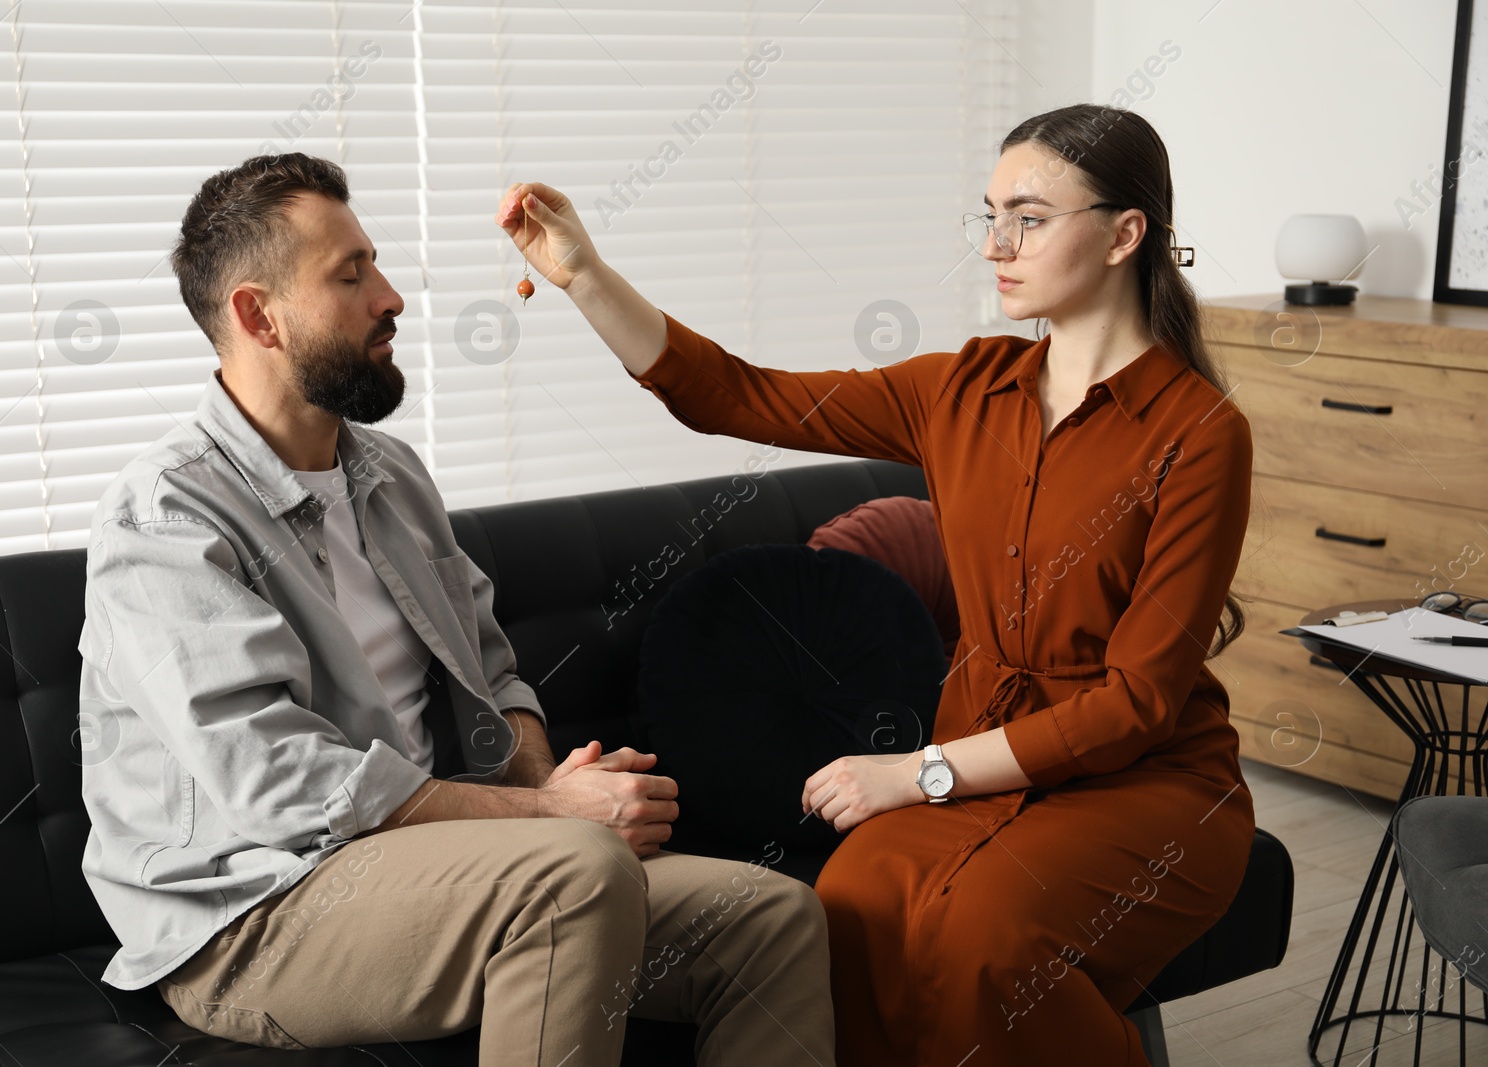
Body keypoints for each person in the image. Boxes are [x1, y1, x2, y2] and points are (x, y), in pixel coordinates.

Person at [494, 102, 1256, 1066]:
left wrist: (921, 771)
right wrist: (585, 276)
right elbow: (734, 393)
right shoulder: (961, 390)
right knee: (844, 906)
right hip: (991, 766)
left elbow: (1139, 704)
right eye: (988, 215)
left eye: (1027, 217)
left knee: (983, 940)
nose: (996, 245)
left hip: (1147, 782)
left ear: (1124, 234)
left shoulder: (1199, 436)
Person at [76, 152, 835, 1066]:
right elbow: (281, 783)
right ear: (256, 314)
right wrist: (557, 821)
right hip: (254, 914)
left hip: (436, 873)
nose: (390, 297)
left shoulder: (391, 476)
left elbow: (493, 671)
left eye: (377, 266)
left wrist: (546, 785)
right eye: (350, 275)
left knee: (770, 916)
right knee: (575, 872)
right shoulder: (165, 512)